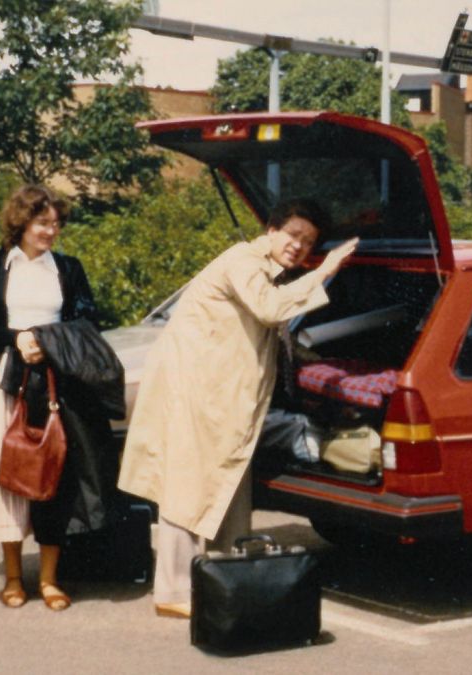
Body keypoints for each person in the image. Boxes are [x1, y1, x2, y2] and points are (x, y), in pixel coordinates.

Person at [118, 199, 357, 619]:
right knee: (189, 489)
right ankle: (174, 592)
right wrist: (325, 270)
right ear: (272, 229)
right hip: (198, 393)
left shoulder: (269, 273)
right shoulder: (243, 261)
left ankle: (225, 576)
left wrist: (326, 369)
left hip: (224, 398)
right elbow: (269, 309)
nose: (298, 246)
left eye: (308, 242)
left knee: (226, 485)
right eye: (294, 234)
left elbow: (274, 333)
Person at [0, 184, 124, 611]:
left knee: (55, 476)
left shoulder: (67, 269)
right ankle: (14, 578)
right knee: (7, 474)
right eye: (42, 222)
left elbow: (87, 321)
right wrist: (18, 339)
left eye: (56, 224)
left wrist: (46, 341)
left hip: (57, 384)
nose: (51, 231)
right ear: (21, 223)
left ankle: (49, 580)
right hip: (4, 383)